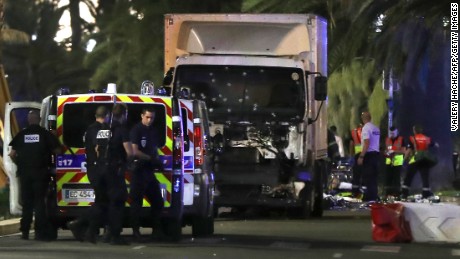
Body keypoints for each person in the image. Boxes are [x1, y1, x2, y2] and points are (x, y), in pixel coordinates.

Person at [8, 110, 61, 241]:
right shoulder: (45, 134)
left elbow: (12, 154)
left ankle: (25, 232)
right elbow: (58, 151)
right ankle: (39, 232)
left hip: (25, 174)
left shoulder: (22, 134)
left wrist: (19, 163)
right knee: (39, 203)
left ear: (29, 120)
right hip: (41, 173)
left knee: (27, 203)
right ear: (39, 119)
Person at [129, 108, 165, 241]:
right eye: (147, 117)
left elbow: (154, 149)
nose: (150, 120)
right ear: (142, 116)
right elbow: (134, 151)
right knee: (136, 203)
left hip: (149, 171)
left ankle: (156, 230)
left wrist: (157, 161)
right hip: (139, 171)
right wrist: (150, 159)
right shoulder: (136, 130)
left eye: (152, 118)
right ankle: (135, 231)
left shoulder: (153, 131)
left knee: (158, 202)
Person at [401, 124, 437, 199]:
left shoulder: (412, 138)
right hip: (425, 159)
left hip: (415, 159)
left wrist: (404, 160)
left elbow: (408, 150)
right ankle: (426, 193)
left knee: (409, 176)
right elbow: (436, 145)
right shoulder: (427, 138)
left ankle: (404, 193)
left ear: (414, 131)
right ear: (421, 130)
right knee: (425, 177)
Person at [357, 112, 380, 202]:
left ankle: (369, 197)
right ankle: (374, 196)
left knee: (368, 177)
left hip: (369, 155)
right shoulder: (375, 128)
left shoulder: (366, 128)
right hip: (376, 155)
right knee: (374, 177)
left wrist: (361, 156)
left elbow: (367, 143)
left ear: (363, 119)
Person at [383, 126, 406, 199]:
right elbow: (385, 150)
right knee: (388, 178)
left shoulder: (401, 139)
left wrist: (394, 152)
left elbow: (404, 151)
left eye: (393, 133)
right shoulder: (387, 139)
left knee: (396, 179)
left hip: (397, 162)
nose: (392, 135)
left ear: (396, 132)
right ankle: (387, 194)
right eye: (391, 133)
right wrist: (386, 153)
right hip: (389, 161)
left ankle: (396, 194)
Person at [350, 123, 363, 198]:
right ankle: (363, 193)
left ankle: (355, 193)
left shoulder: (353, 132)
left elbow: (351, 144)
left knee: (356, 175)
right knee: (364, 175)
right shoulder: (366, 131)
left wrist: (351, 156)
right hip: (365, 156)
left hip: (356, 156)